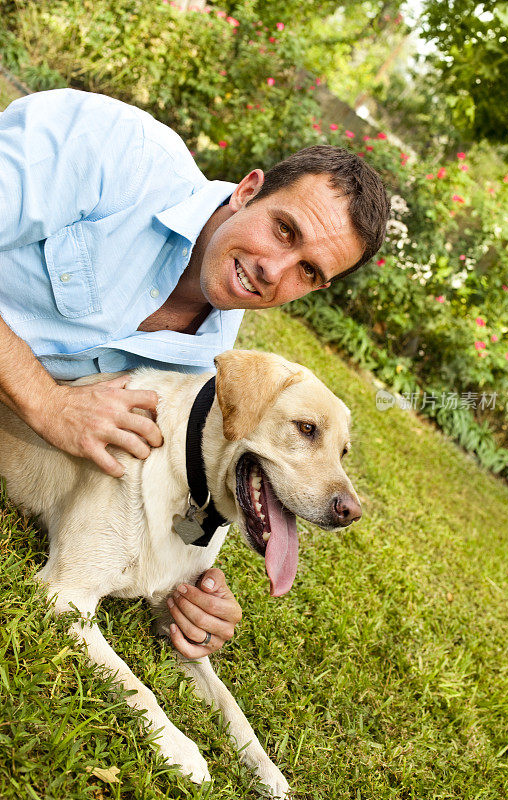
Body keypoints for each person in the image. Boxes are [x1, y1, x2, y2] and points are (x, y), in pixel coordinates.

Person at [0, 88, 389, 659]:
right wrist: (46, 401)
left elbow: (179, 476)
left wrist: (189, 580)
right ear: (247, 191)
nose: (273, 270)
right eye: (284, 229)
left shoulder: (212, 370)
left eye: (307, 270)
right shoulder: (110, 150)